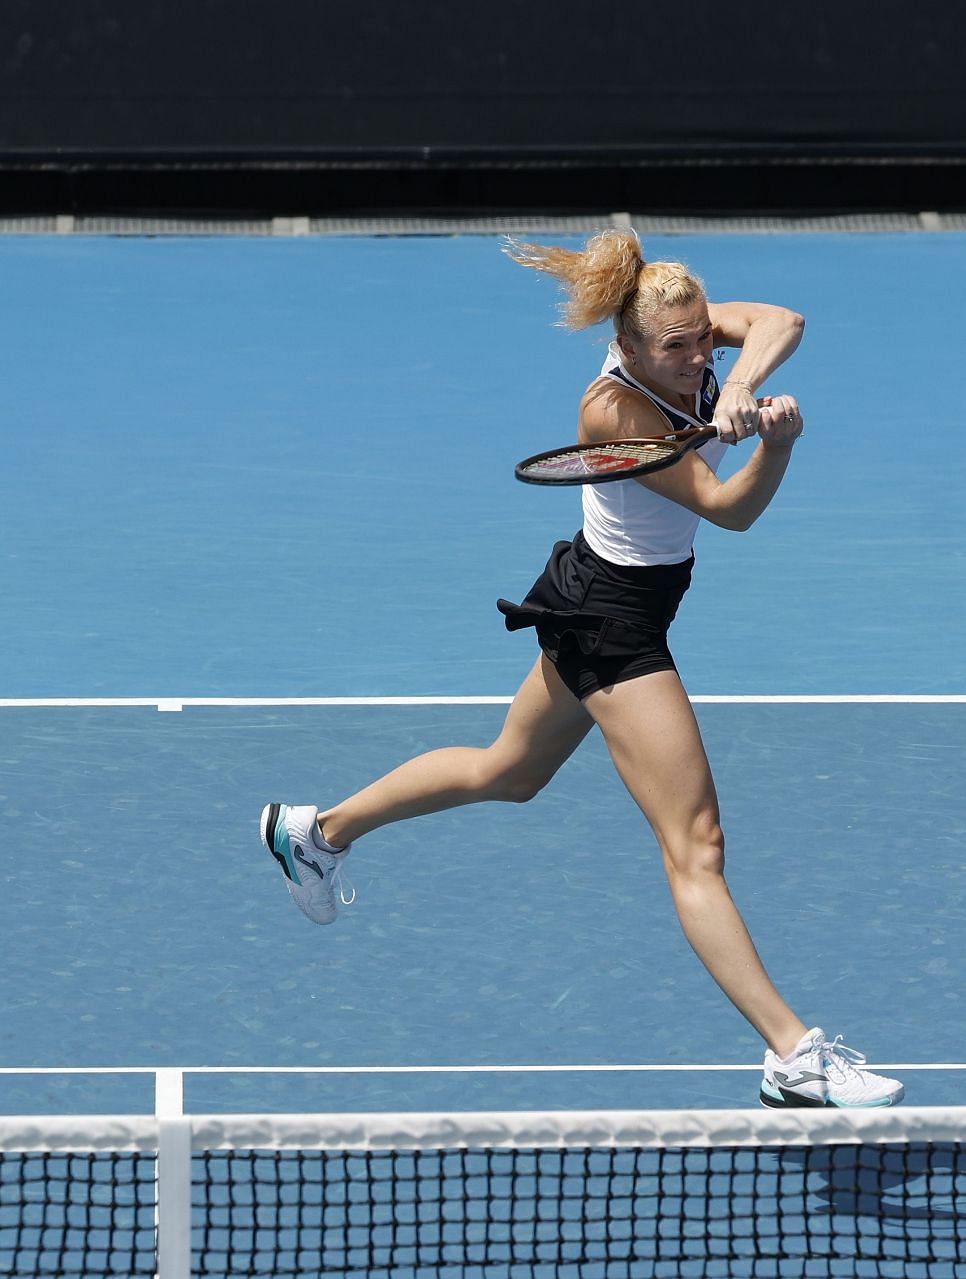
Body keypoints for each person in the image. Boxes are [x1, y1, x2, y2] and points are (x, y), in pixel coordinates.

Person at [258, 228, 903, 1109]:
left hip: (600, 594)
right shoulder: (613, 411)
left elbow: (781, 319)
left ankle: (315, 832)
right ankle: (793, 1054)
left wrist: (741, 383)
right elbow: (725, 509)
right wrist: (776, 448)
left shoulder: (695, 342)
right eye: (673, 348)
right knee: (696, 845)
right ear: (631, 346)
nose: (690, 358)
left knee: (506, 770)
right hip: (613, 622)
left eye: (698, 340)